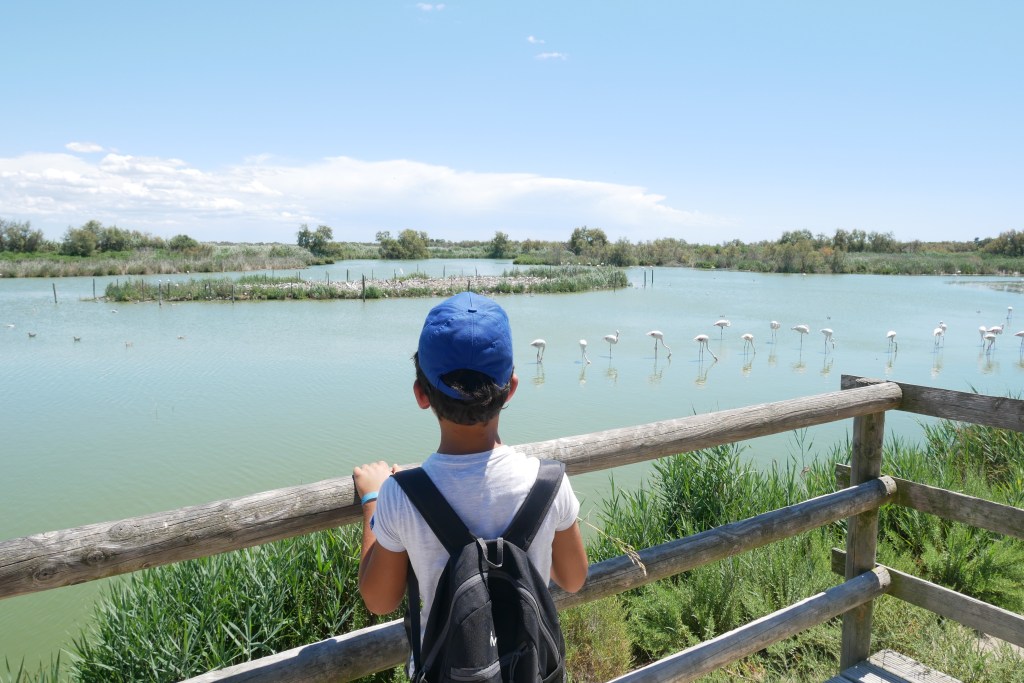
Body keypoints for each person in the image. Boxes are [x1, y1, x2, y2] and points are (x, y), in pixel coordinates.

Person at [353, 290, 589, 632]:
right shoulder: (549, 483)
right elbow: (573, 578)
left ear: (420, 394)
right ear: (511, 388)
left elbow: (379, 600)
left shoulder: (400, 496)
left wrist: (373, 499)